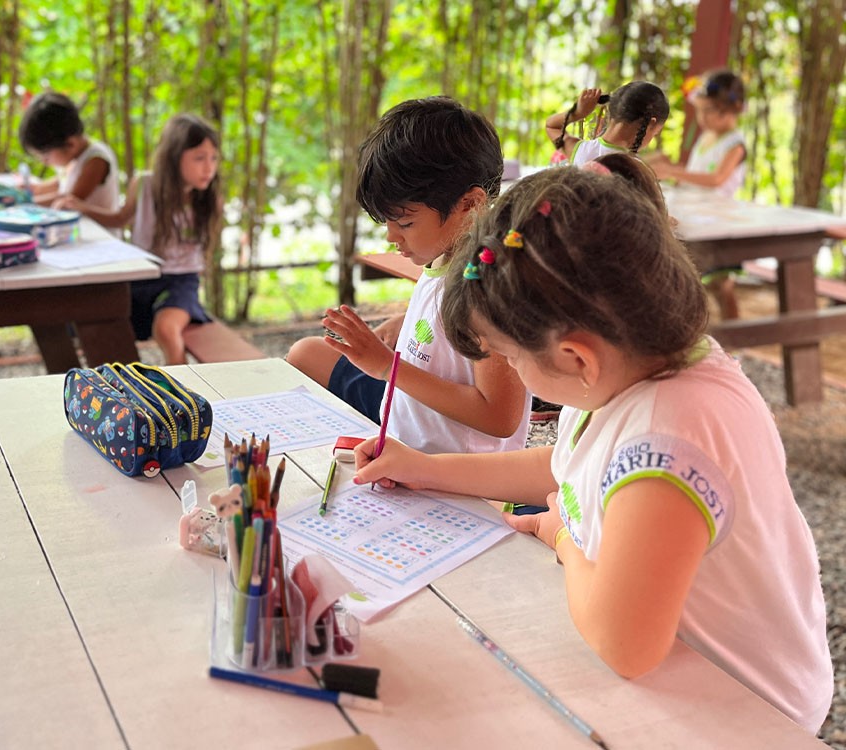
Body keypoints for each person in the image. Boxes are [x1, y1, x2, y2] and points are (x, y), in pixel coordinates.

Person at [351, 158, 833, 733]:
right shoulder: (630, 365)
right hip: (683, 674)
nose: (511, 370)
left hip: (746, 711)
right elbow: (562, 467)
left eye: (511, 357)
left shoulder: (670, 438)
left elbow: (623, 644)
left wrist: (563, 538)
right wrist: (423, 468)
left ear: (576, 356)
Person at [286, 97, 530, 458]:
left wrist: (388, 367)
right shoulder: (447, 256)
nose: (391, 236)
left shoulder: (488, 286)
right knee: (307, 353)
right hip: (409, 432)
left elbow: (500, 416)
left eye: (405, 222)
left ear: (469, 204)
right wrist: (404, 324)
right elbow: (447, 317)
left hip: (452, 470)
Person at [57, 114, 221, 365]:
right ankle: (111, 380)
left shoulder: (209, 199)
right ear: (174, 157)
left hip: (181, 283)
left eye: (214, 158)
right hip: (142, 276)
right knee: (93, 317)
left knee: (166, 329)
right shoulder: (144, 185)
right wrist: (81, 207)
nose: (209, 167)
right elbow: (119, 219)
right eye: (199, 158)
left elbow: (205, 251)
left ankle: (180, 386)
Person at [649, 70, 748, 320]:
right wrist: (671, 168)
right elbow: (696, 173)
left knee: (721, 284)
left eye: (709, 111)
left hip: (718, 219)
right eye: (700, 110)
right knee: (704, 281)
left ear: (732, 110)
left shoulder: (735, 144)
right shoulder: (707, 137)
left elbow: (716, 179)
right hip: (696, 213)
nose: (702, 117)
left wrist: (673, 171)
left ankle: (733, 334)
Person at [18, 92, 120, 211]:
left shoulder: (96, 160)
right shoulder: (74, 157)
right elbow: (59, 183)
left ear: (71, 144)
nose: (44, 162)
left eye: (46, 156)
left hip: (94, 223)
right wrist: (34, 189)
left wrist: (25, 202)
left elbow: (69, 200)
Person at [544, 81, 669, 166]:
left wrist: (577, 114)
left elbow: (551, 126)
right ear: (650, 124)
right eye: (655, 133)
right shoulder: (637, 169)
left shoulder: (581, 150)